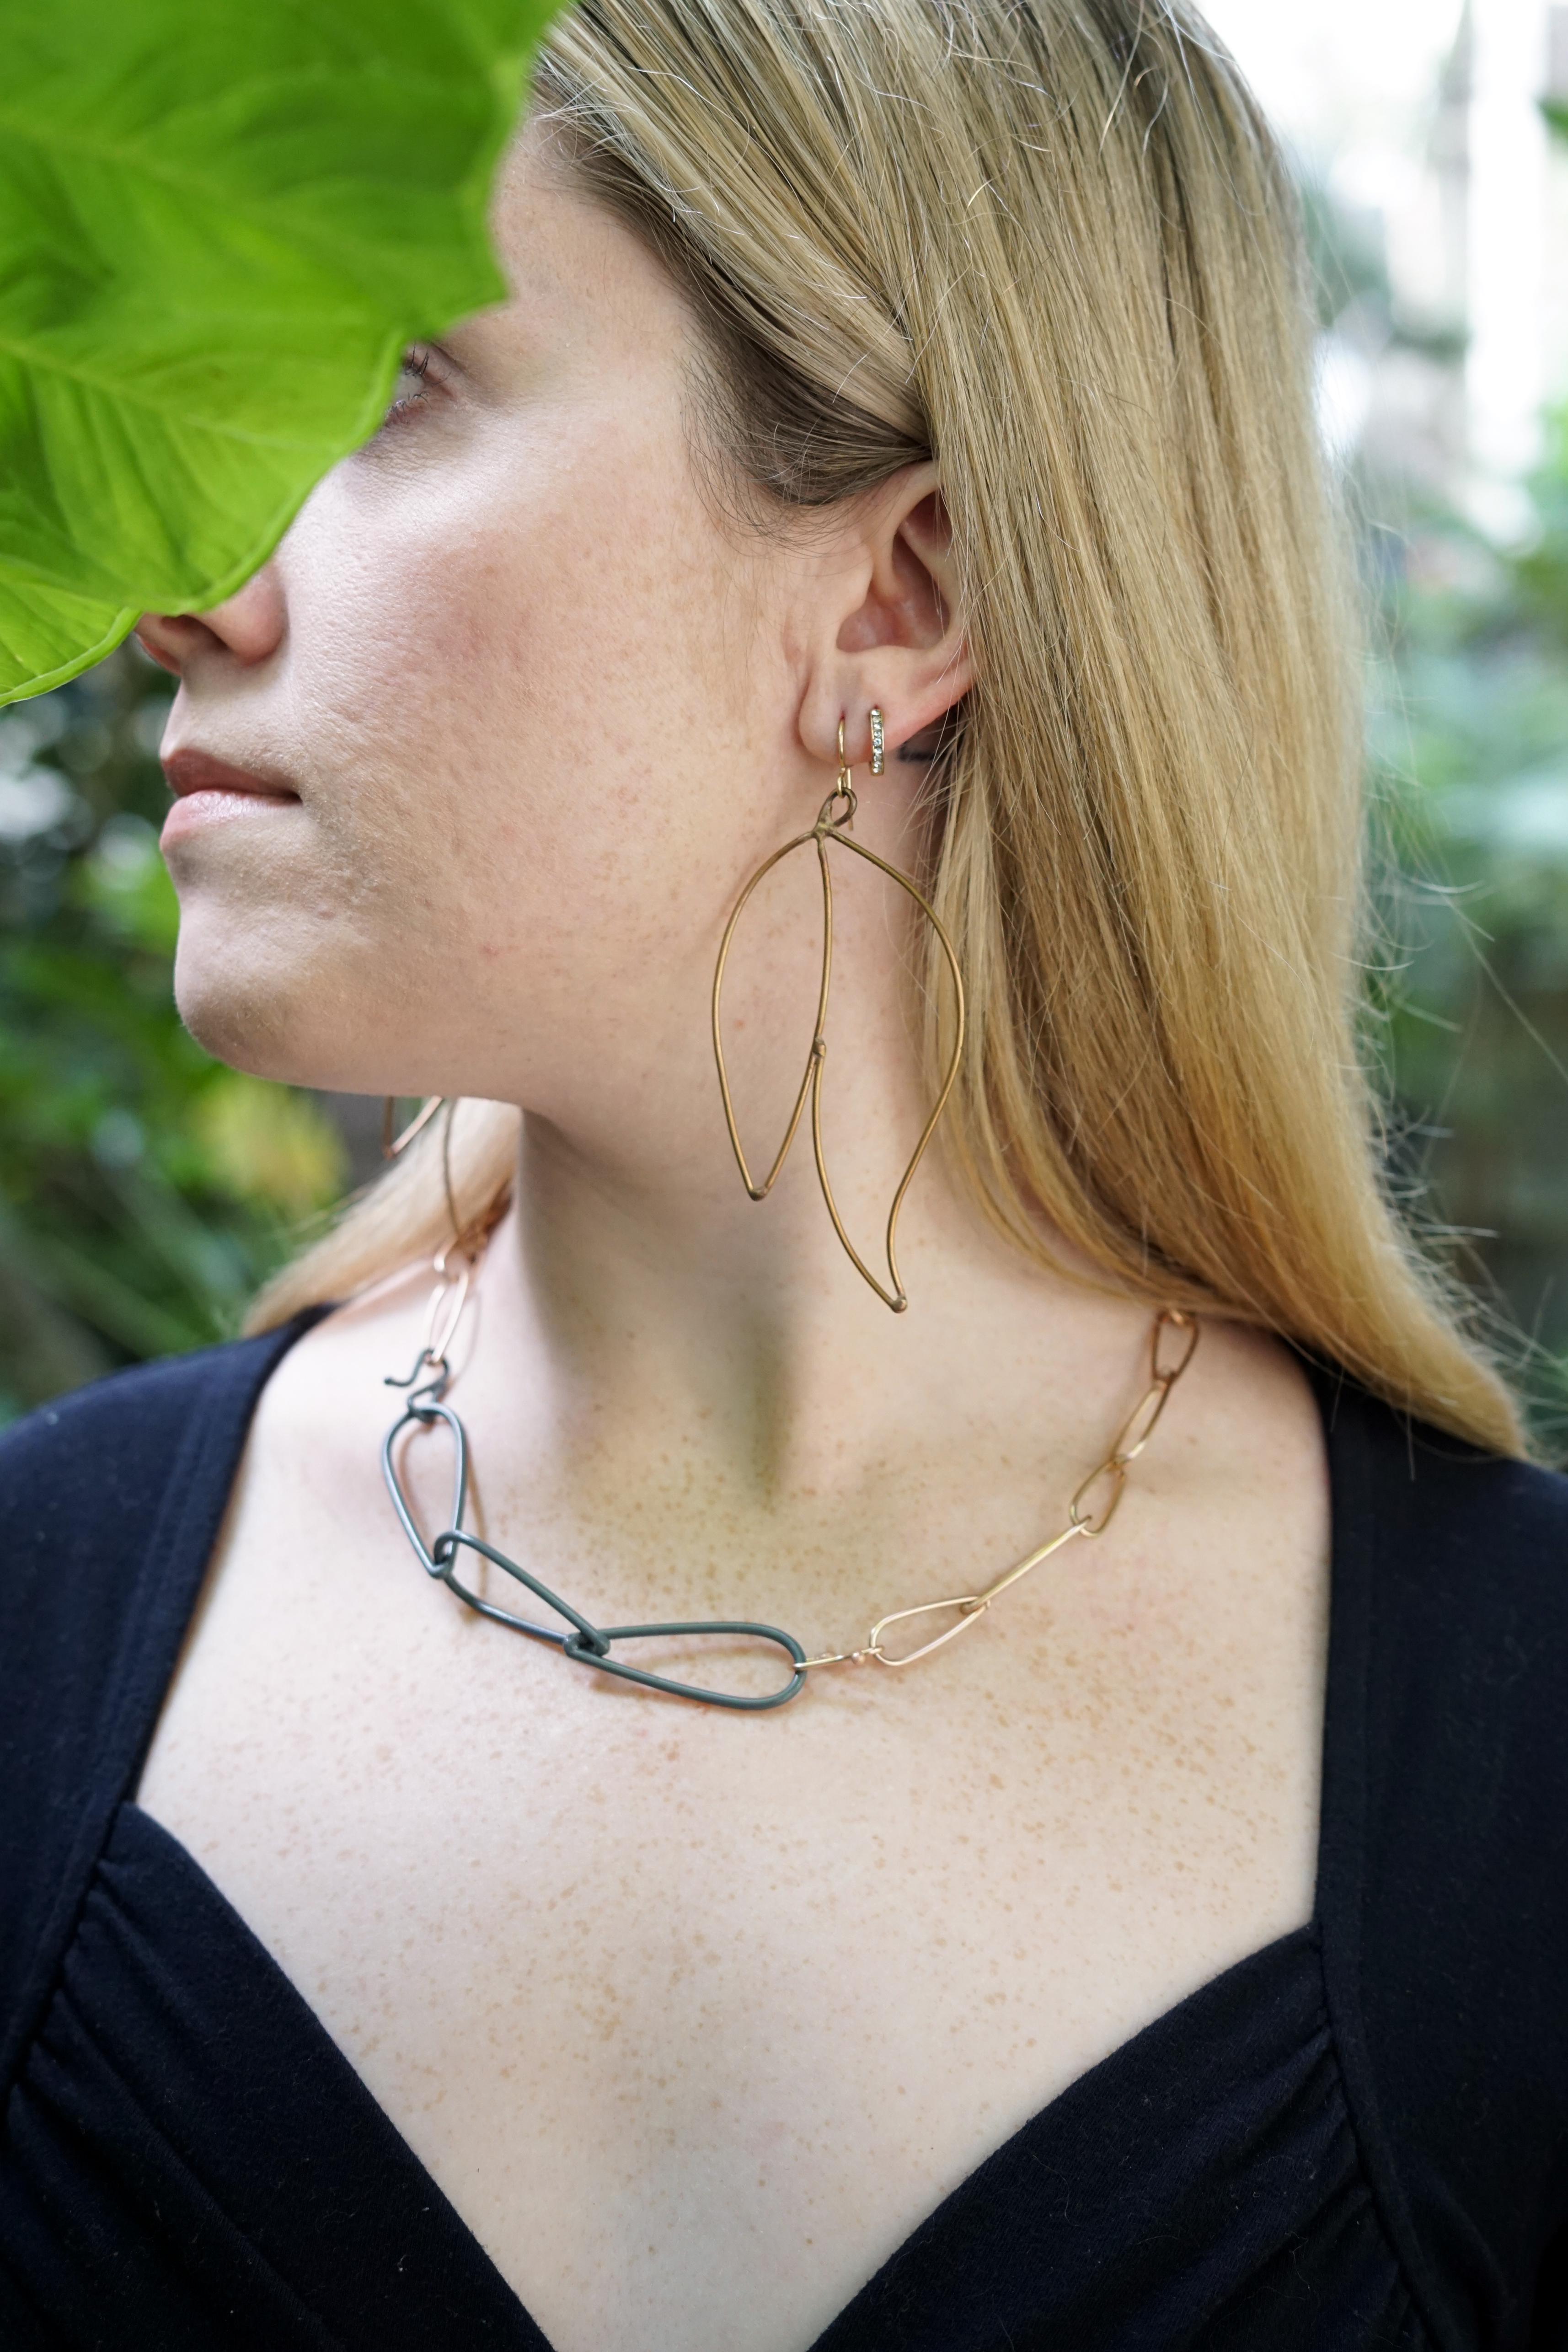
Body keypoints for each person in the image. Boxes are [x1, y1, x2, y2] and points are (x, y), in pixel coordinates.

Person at [3, 0, 1566, 2344]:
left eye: (383, 387)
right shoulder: (31, 1621)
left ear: (901, 595)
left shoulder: (1527, 1782)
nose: (190, 587)